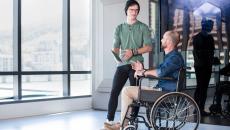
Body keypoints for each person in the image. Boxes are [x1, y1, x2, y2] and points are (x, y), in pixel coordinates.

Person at [108, 30, 184, 130]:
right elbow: (160, 72)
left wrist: (143, 73)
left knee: (127, 91)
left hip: (164, 93)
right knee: (130, 91)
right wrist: (143, 70)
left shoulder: (174, 58)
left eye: (163, 38)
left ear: (169, 41)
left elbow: (160, 73)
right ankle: (125, 123)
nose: (161, 40)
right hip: (161, 91)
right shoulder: (171, 57)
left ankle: (123, 125)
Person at [102, 0, 152, 129]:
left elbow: (148, 47)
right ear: (126, 11)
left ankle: (131, 121)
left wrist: (133, 52)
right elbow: (115, 48)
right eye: (131, 10)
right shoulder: (119, 28)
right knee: (114, 91)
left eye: (136, 10)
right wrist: (117, 58)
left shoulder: (143, 27)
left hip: (137, 64)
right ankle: (109, 120)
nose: (134, 12)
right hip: (122, 65)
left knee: (135, 94)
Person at [192, 19, 214, 116]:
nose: (211, 28)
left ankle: (199, 109)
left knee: (202, 88)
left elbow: (210, 53)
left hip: (204, 66)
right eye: (210, 25)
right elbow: (199, 53)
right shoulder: (198, 38)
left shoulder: (208, 38)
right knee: (201, 88)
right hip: (201, 67)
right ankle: (198, 109)